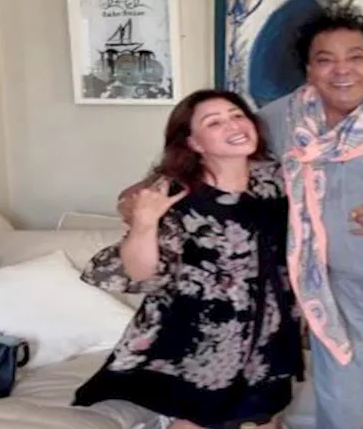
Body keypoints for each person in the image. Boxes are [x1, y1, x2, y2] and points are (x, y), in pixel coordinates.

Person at [119, 6, 363, 429]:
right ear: (309, 69)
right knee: (338, 390)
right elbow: (218, 158)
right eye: (325, 59)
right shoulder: (281, 118)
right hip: (330, 280)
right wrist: (144, 193)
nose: (342, 70)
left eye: (355, 57)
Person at [74, 89, 303, 429]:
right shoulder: (174, 193)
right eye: (214, 122)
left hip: (267, 328)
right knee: (199, 419)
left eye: (237, 115)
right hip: (198, 334)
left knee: (265, 416)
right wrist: (144, 222)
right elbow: (140, 271)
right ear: (194, 143)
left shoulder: (277, 179)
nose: (233, 125)